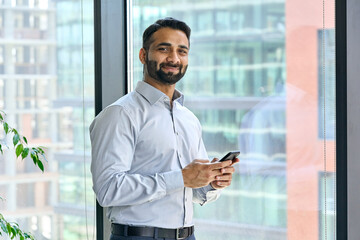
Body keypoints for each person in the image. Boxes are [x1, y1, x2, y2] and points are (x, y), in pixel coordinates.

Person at [90, 17, 239, 240]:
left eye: (182, 51)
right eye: (164, 49)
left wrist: (211, 182)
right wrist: (181, 177)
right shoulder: (121, 114)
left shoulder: (189, 119)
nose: (174, 58)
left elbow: (194, 191)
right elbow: (107, 189)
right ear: (143, 55)